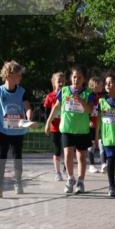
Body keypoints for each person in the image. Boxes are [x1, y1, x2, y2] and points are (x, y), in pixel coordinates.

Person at [44, 65, 95, 194]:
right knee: (67, 154)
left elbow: (89, 110)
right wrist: (48, 122)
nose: (76, 80)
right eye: (74, 77)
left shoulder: (88, 93)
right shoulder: (64, 91)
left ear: (83, 79)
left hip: (82, 130)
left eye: (79, 77)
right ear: (71, 78)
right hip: (67, 129)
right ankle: (70, 178)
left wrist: (81, 100)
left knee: (81, 157)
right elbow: (56, 107)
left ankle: (81, 181)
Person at [0, 61, 33, 198]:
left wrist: (29, 117)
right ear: (9, 75)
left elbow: (28, 108)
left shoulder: (22, 91)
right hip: (3, 132)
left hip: (18, 131)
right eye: (18, 75)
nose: (20, 77)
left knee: (17, 157)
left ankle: (18, 182)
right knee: (1, 159)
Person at [43, 72, 67, 181]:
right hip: (55, 128)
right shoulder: (50, 96)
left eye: (63, 81)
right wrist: (47, 125)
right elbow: (47, 113)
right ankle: (57, 172)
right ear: (54, 83)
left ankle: (67, 170)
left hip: (66, 127)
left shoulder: (68, 95)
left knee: (67, 150)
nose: (61, 83)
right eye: (59, 81)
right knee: (57, 150)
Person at [87, 76, 107, 174]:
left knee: (102, 143)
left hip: (101, 123)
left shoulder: (103, 96)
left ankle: (103, 164)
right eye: (99, 85)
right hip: (92, 124)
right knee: (92, 144)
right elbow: (87, 110)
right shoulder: (90, 96)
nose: (101, 87)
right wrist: (88, 120)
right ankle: (91, 165)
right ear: (93, 86)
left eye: (101, 85)